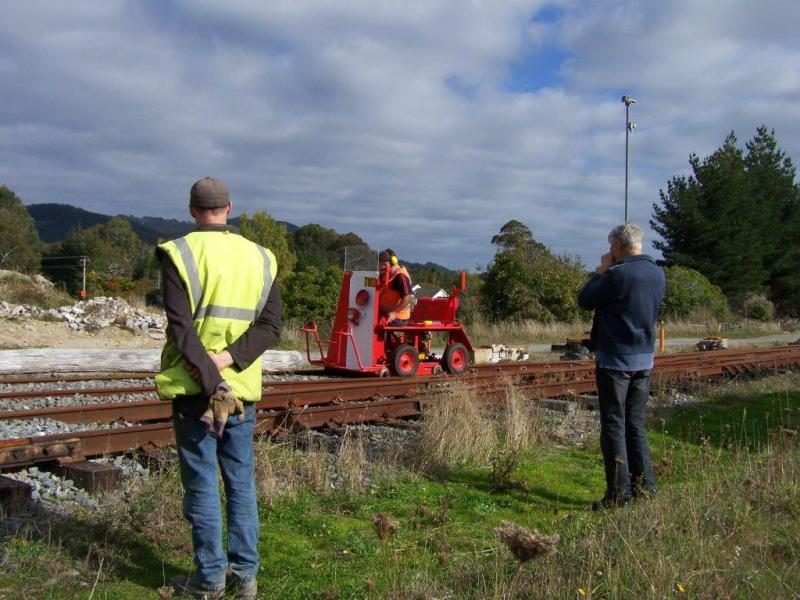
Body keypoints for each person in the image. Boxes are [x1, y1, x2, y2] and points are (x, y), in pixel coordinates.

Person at [156, 177, 281, 599]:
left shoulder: (179, 254)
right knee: (241, 483)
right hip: (241, 392)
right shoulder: (262, 258)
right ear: (229, 208)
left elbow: (181, 329)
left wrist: (211, 379)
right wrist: (228, 367)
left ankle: (209, 580)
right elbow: (270, 327)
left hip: (195, 392)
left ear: (192, 210)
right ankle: (245, 576)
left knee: (203, 484)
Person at [577, 223, 665, 510]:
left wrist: (600, 270)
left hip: (616, 360)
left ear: (616, 245)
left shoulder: (617, 274)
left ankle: (618, 495)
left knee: (614, 425)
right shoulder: (656, 272)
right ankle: (645, 487)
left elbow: (585, 299)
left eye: (610, 247)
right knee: (635, 424)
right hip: (644, 359)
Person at [377, 248, 414, 326]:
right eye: (380, 263)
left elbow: (408, 297)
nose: (382, 267)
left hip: (399, 317)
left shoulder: (400, 275)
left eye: (384, 264)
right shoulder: (385, 275)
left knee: (375, 323)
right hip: (385, 313)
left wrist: (394, 312)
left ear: (393, 262)